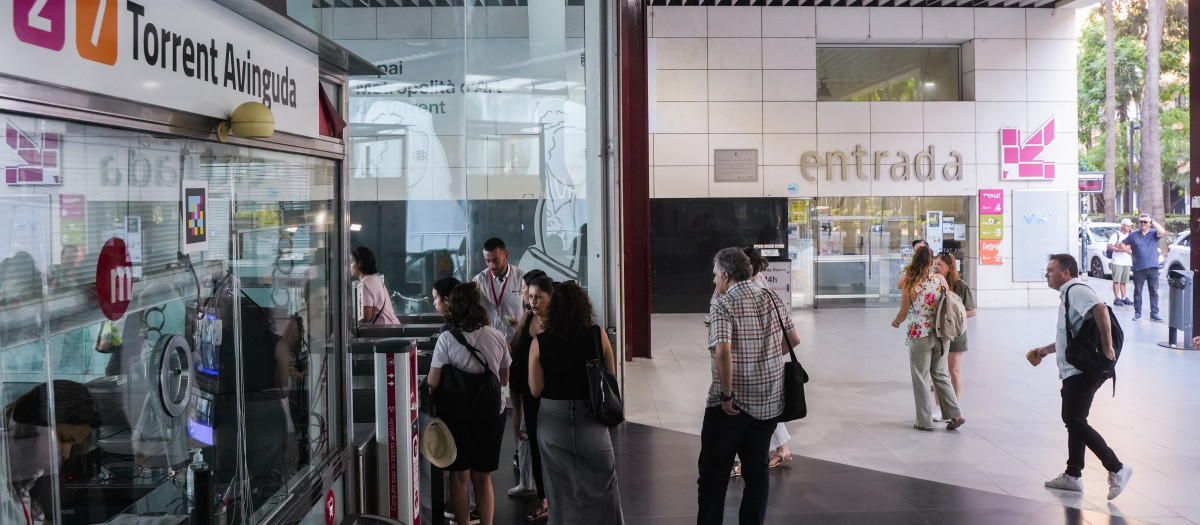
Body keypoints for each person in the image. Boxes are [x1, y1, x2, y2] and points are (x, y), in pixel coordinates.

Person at [697, 248, 799, 525]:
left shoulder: (723, 303)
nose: (715, 281)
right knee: (757, 476)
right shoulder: (771, 297)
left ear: (727, 275)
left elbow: (722, 352)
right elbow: (794, 339)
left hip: (731, 407)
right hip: (768, 403)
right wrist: (763, 359)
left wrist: (727, 395)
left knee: (713, 477)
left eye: (716, 275)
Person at [1029, 254, 1133, 500]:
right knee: (1074, 420)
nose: (1047, 274)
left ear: (1066, 273)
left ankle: (1117, 468)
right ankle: (1073, 475)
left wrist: (1108, 347)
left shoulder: (1075, 289)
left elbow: (1101, 310)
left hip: (1083, 369)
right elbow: (1075, 335)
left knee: (1074, 419)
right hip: (1074, 366)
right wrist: (1046, 349)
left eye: (1051, 270)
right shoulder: (1067, 294)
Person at [529, 281, 624, 525]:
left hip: (552, 419)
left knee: (559, 489)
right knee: (603, 482)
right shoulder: (597, 334)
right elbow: (610, 377)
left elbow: (536, 389)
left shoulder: (539, 342)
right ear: (584, 306)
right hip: (590, 417)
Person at [428, 282, 511, 525]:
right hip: (491, 413)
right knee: (482, 477)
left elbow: (433, 382)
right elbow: (504, 378)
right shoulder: (496, 336)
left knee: (458, 477)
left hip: (456, 416)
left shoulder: (446, 339)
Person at [723, 248, 791, 478]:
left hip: (746, 373)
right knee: (762, 418)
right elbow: (794, 337)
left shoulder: (733, 298)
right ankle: (778, 450)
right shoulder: (769, 293)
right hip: (767, 376)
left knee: (739, 416)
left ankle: (739, 460)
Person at [2, 380, 101, 524]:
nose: (66, 455)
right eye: (64, 439)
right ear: (32, 426)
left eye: (72, 446)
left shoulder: (27, 477)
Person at [890, 246, 965, 431]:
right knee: (941, 374)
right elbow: (948, 302)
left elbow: (904, 312)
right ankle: (956, 414)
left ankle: (924, 421)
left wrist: (896, 322)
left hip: (919, 334)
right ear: (931, 262)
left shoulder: (910, 283)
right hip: (941, 334)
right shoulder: (939, 280)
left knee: (921, 377)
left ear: (914, 261)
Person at [507, 272, 552, 522]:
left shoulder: (557, 323)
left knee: (552, 446)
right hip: (529, 390)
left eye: (538, 297)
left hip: (552, 393)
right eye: (530, 296)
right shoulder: (527, 317)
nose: (532, 301)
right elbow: (513, 346)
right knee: (534, 443)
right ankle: (542, 498)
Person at [934, 252, 975, 399]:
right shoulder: (933, 283)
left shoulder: (961, 286)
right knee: (937, 372)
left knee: (954, 370)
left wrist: (954, 315)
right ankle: (939, 408)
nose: (936, 267)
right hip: (937, 334)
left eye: (940, 265)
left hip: (956, 335)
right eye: (935, 264)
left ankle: (955, 406)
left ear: (950, 267)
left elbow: (971, 311)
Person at [474, 238, 526, 340]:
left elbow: (532, 311)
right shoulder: (479, 281)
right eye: (487, 261)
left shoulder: (523, 278)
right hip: (490, 343)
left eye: (495, 260)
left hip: (517, 341)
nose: (491, 266)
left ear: (506, 255)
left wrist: (522, 324)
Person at [1121, 215, 1165, 321]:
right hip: (1139, 267)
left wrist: (1152, 220)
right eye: (1141, 222)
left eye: (1145, 222)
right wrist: (1130, 253)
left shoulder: (1154, 233)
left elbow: (1162, 232)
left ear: (1149, 223)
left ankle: (1154, 313)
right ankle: (1137, 312)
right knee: (1138, 291)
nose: (1143, 224)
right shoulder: (1134, 235)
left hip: (1153, 267)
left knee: (1154, 291)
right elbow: (1122, 244)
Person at [350, 247, 399, 325]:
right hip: (392, 326)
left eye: (351, 261)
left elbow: (366, 317)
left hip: (383, 331)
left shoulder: (364, 284)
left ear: (360, 264)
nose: (349, 265)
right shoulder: (375, 278)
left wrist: (350, 314)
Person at [1106, 219, 1134, 306]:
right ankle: (1116, 297)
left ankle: (1124, 297)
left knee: (1124, 281)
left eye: (1130, 226)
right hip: (1117, 261)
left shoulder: (1130, 235)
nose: (1129, 227)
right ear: (1122, 225)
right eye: (1128, 226)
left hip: (1127, 261)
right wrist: (1119, 250)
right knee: (1116, 280)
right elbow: (1109, 246)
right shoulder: (1116, 235)